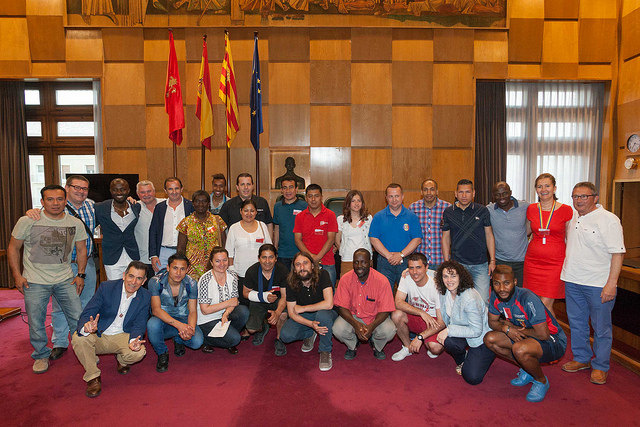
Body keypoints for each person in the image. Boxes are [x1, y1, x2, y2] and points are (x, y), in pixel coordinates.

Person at [8, 185, 87, 374]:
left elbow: (82, 249)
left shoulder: (74, 223)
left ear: (65, 201)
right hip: (34, 280)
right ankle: (41, 355)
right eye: (50, 199)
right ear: (42, 202)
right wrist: (17, 276)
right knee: (36, 320)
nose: (55, 203)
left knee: (77, 317)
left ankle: (85, 352)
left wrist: (81, 274)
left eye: (59, 199)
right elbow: (13, 248)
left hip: (65, 279)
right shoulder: (28, 220)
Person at [24, 175, 98, 361]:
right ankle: (60, 342)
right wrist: (29, 212)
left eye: (85, 188)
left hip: (85, 263)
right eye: (76, 188)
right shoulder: (54, 207)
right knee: (60, 307)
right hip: (63, 266)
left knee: (86, 304)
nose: (81, 191)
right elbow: (39, 216)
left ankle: (84, 343)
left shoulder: (92, 206)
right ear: (67, 188)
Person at [560, 182, 625, 385]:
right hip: (572, 280)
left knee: (601, 327)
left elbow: (617, 253)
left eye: (584, 196)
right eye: (575, 196)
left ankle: (600, 366)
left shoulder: (609, 220)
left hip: (598, 283)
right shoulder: (571, 217)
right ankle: (581, 358)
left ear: (595, 197)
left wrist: (611, 284)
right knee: (577, 324)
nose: (578, 200)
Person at [484, 265, 567, 402]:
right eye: (496, 284)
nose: (501, 289)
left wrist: (515, 329)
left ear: (515, 282)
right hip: (525, 333)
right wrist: (507, 329)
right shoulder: (495, 295)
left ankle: (541, 381)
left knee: (520, 349)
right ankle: (528, 369)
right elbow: (492, 322)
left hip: (553, 340)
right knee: (490, 339)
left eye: (506, 283)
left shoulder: (527, 298)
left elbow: (543, 334)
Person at [71, 261, 151, 398]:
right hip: (100, 333)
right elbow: (87, 313)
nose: (134, 281)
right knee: (79, 338)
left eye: (139, 278)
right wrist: (87, 326)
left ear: (144, 281)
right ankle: (93, 377)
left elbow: (140, 322)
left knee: (138, 353)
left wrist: (134, 340)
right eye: (131, 276)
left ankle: (122, 359)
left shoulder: (145, 296)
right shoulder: (106, 287)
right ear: (124, 275)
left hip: (122, 335)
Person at [434, 260, 495, 385]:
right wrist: (407, 272)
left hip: (481, 338)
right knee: (449, 342)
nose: (449, 280)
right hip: (463, 331)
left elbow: (476, 331)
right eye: (445, 276)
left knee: (472, 378)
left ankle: (488, 354)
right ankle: (464, 360)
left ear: (460, 277)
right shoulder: (444, 292)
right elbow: (425, 274)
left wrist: (449, 330)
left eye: (453, 276)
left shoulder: (470, 298)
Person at [523, 173, 573, 317]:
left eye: (547, 186)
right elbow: (526, 231)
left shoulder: (566, 210)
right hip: (533, 262)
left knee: (545, 304)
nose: (543, 189)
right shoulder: (531, 209)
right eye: (539, 186)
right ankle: (540, 335)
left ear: (554, 188)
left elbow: (571, 239)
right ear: (536, 190)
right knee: (534, 302)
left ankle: (554, 337)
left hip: (555, 263)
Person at [333, 249, 396, 360]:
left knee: (389, 330)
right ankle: (352, 345)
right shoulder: (345, 279)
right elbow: (342, 308)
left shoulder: (382, 281)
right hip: (353, 317)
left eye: (363, 262)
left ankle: (376, 345)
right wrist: (356, 324)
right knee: (337, 329)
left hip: (375, 318)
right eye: (356, 262)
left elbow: (385, 310)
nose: (359, 265)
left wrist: (371, 327)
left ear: (370, 263)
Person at [279, 252, 337, 371]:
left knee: (323, 316)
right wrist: (310, 324)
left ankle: (325, 350)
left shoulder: (323, 274)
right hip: (307, 316)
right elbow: (292, 312)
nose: (302, 267)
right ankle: (311, 333)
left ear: (312, 265)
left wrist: (304, 308)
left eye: (305, 263)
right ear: (294, 269)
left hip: (325, 312)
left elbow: (329, 304)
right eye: (298, 264)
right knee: (285, 335)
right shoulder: (290, 281)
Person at [147, 254, 203, 373]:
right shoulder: (156, 281)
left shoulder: (192, 284)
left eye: (182, 269)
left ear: (187, 270)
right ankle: (162, 353)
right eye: (175, 268)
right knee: (152, 325)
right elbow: (156, 310)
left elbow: (192, 310)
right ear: (168, 267)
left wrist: (190, 328)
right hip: (162, 318)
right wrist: (180, 326)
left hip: (182, 316)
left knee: (197, 342)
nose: (178, 272)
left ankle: (179, 339)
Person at [441, 179, 495, 301]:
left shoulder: (482, 210)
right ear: (456, 193)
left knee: (482, 301)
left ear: (474, 193)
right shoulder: (448, 212)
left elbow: (489, 235)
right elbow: (445, 237)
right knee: (459, 300)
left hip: (480, 265)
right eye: (461, 192)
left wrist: (492, 260)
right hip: (458, 265)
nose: (464, 196)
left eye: (467, 192)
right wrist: (446, 262)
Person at [391, 252, 445, 362]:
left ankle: (426, 341)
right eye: (411, 268)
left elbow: (442, 322)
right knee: (396, 314)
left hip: (433, 321)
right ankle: (407, 347)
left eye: (418, 267)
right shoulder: (406, 277)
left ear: (426, 268)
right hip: (416, 316)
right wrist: (421, 312)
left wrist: (420, 337)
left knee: (435, 348)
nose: (415, 272)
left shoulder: (437, 285)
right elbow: (398, 302)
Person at [196, 247, 249, 354]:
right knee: (235, 339)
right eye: (217, 261)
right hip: (207, 319)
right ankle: (205, 340)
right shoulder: (205, 280)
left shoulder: (232, 276)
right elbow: (205, 310)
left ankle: (226, 338)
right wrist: (227, 303)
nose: (222, 264)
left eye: (224, 260)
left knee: (243, 311)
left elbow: (234, 301)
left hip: (223, 316)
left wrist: (226, 313)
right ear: (211, 262)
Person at [369, 183, 422, 290]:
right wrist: (389, 256)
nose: (394, 199)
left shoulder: (412, 217)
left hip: (406, 263)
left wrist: (401, 255)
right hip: (384, 262)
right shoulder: (378, 217)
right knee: (383, 296)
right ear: (386, 198)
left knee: (407, 297)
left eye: (397, 196)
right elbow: (373, 239)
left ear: (402, 197)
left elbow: (417, 239)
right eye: (391, 196)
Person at [243, 244, 289, 355]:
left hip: (278, 301)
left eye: (271, 257)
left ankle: (279, 339)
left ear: (276, 258)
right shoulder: (251, 271)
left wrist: (277, 313)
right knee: (251, 329)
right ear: (259, 258)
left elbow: (284, 296)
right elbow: (245, 293)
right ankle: (263, 327)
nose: (267, 261)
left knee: (283, 315)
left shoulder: (282, 270)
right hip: (258, 302)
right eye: (264, 257)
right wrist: (263, 296)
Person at [94, 178, 142, 280]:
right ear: (111, 191)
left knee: (133, 286)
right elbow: (89, 227)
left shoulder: (135, 206)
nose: (119, 192)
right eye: (115, 190)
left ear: (128, 191)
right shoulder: (100, 208)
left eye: (123, 189)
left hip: (132, 255)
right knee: (114, 288)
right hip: (112, 256)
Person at [294, 184, 339, 285]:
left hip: (327, 262)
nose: (313, 199)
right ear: (306, 198)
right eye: (310, 196)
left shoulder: (330, 215)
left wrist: (318, 257)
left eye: (316, 196)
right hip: (305, 264)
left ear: (322, 197)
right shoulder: (300, 216)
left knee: (329, 294)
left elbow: (331, 239)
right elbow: (297, 240)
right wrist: (310, 257)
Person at [176, 190, 227, 281]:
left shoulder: (217, 220)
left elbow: (224, 244)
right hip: (192, 270)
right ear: (193, 203)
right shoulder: (186, 222)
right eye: (197, 201)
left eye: (204, 201)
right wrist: (183, 266)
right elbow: (180, 248)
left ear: (208, 203)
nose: (200, 204)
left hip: (214, 266)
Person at [487, 181, 530, 288]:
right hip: (500, 261)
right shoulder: (489, 210)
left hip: (522, 261)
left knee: (520, 295)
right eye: (497, 194)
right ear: (493, 196)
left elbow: (541, 216)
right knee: (501, 293)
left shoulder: (525, 207)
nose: (501, 197)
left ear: (510, 193)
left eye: (505, 193)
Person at [226, 199, 272, 294]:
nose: (249, 213)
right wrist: (232, 270)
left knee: (259, 301)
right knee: (243, 303)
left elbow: (269, 248)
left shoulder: (262, 226)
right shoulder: (234, 228)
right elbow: (229, 252)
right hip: (240, 273)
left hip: (260, 272)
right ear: (240, 211)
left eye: (252, 211)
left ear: (256, 212)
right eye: (246, 210)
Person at [149, 177, 194, 272]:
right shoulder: (159, 208)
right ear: (165, 191)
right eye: (170, 189)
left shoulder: (190, 206)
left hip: (185, 252)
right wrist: (153, 255)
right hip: (163, 252)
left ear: (181, 189)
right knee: (160, 283)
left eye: (177, 188)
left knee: (183, 282)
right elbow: (153, 231)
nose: (174, 192)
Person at [409, 179, 451, 272]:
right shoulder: (413, 208)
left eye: (432, 189)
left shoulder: (447, 208)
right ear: (421, 192)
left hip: (441, 260)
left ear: (437, 191)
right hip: (420, 263)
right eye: (425, 189)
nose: (429, 193)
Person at [219, 173, 273, 238]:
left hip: (260, 245)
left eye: (248, 184)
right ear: (237, 187)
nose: (246, 187)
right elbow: (221, 227)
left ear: (253, 186)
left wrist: (269, 244)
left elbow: (269, 224)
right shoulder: (228, 205)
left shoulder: (262, 202)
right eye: (242, 184)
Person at [273, 177, 307, 271]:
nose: (288, 191)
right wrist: (275, 249)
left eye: (291, 187)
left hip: (301, 252)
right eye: (285, 187)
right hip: (283, 253)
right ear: (281, 190)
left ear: (296, 189)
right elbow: (277, 228)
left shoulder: (304, 206)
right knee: (285, 283)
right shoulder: (277, 206)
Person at [335, 189, 372, 276]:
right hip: (347, 258)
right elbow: (337, 240)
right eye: (353, 201)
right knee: (347, 286)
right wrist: (344, 252)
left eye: (359, 201)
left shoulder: (368, 218)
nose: (356, 203)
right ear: (348, 203)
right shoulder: (341, 219)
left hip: (365, 259)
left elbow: (372, 238)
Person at [134, 180, 164, 280]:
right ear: (138, 194)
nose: (146, 195)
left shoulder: (165, 204)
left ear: (154, 192)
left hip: (163, 256)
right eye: (142, 192)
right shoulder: (134, 207)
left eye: (149, 191)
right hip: (143, 258)